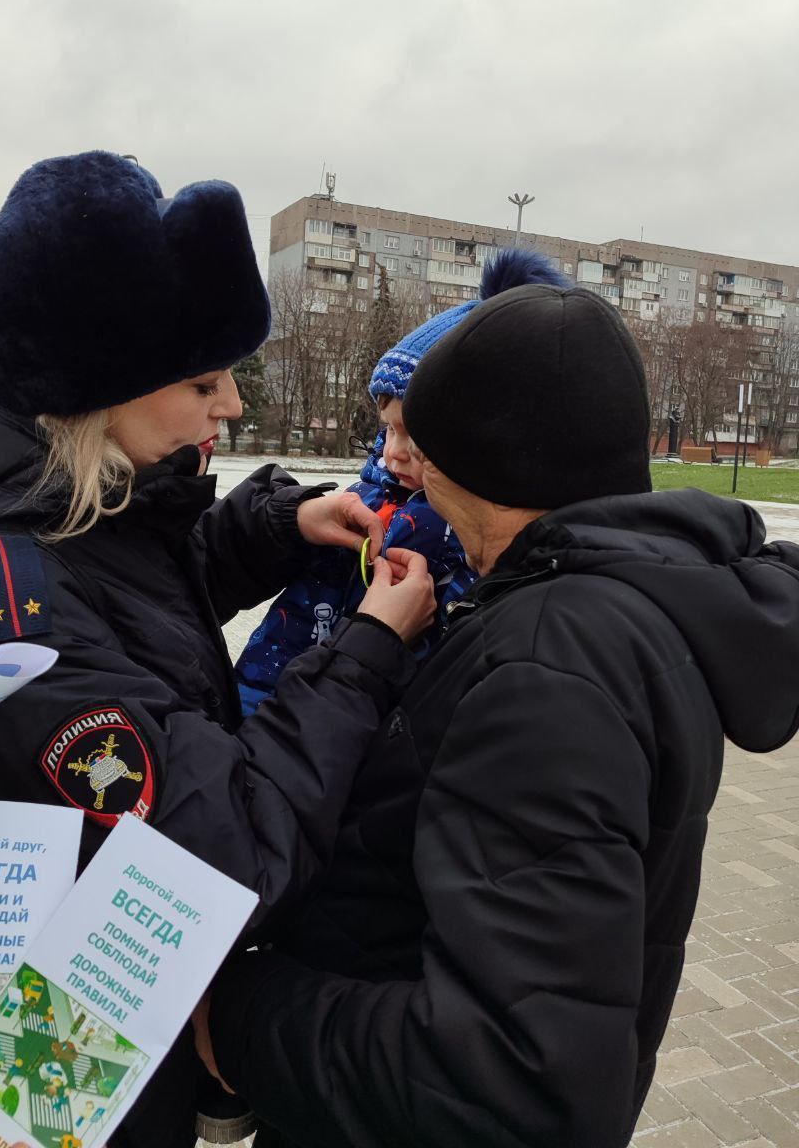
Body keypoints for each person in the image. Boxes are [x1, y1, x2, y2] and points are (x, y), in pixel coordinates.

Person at [0, 151, 435, 1148]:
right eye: (203, 377)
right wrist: (369, 645)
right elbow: (230, 844)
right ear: (93, 389)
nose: (233, 404)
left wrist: (282, 525)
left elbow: (130, 592)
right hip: (30, 1066)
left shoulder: (26, 492)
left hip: (46, 1023)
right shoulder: (7, 599)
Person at [198, 281, 799, 1147]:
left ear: (487, 462)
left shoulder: (548, 669)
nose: (400, 463)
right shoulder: (610, 607)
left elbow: (511, 1088)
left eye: (420, 442)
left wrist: (244, 1018)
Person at [234, 248, 568, 715]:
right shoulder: (365, 499)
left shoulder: (479, 540)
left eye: (415, 436)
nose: (392, 452)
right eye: (387, 428)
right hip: (287, 708)